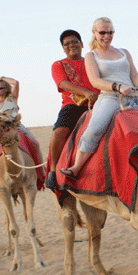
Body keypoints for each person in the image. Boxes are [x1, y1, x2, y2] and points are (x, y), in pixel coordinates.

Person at [59, 17, 138, 179]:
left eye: (110, 32)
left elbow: (134, 75)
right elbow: (95, 81)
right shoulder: (91, 56)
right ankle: (76, 167)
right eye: (102, 32)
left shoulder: (123, 52)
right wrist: (118, 87)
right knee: (94, 129)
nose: (106, 36)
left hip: (132, 97)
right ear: (94, 33)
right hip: (110, 97)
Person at [46, 29, 101, 189]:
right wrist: (85, 92)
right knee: (59, 132)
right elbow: (62, 83)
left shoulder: (93, 62)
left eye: (74, 41)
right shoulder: (59, 65)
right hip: (73, 106)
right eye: (67, 44)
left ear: (82, 44)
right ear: (63, 48)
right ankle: (52, 171)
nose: (71, 45)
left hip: (98, 105)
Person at [0, 76, 43, 192]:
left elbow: (16, 83)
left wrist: (3, 78)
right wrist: (0, 118)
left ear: (6, 88)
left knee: (35, 143)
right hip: (0, 127)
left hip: (15, 125)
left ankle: (42, 172)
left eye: (0, 87)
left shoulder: (13, 98)